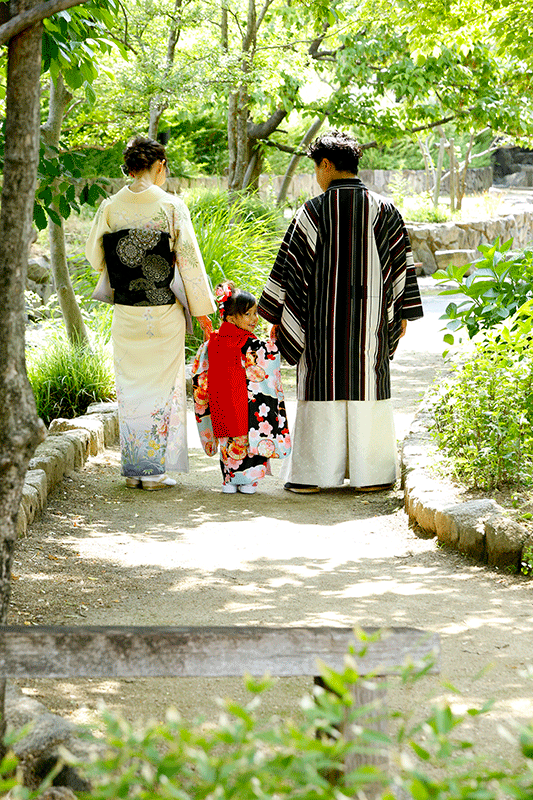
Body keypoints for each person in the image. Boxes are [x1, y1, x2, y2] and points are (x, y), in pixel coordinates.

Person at [258, 130, 423, 494]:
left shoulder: (313, 212)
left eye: (317, 167)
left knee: (323, 382)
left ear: (328, 166)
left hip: (321, 324)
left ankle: (312, 476)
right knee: (367, 381)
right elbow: (402, 267)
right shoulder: (385, 210)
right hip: (372, 321)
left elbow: (291, 269)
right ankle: (371, 475)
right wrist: (403, 314)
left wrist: (278, 316)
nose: (316, 175)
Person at [85, 135, 215, 490]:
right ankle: (153, 472)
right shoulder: (171, 206)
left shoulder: (110, 207)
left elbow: (95, 258)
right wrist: (203, 312)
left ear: (129, 167)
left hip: (127, 310)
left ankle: (134, 471)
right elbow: (188, 263)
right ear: (159, 166)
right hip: (162, 312)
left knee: (131, 388)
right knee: (160, 388)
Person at [192, 281, 291, 494]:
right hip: (244, 405)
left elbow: (200, 373)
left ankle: (228, 480)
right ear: (230, 317)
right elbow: (268, 358)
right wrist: (274, 337)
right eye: (248, 314)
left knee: (227, 440)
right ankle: (247, 481)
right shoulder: (249, 343)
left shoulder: (212, 342)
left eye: (255, 314)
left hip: (220, 403)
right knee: (247, 438)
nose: (255, 319)